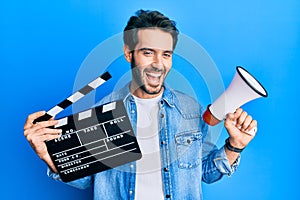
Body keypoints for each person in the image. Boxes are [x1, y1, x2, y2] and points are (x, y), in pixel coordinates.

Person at [24, 9, 257, 200]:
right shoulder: (100, 114)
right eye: (148, 53)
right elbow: (85, 180)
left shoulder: (191, 111)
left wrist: (234, 146)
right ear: (129, 53)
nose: (158, 64)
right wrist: (48, 155)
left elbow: (206, 173)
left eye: (166, 54)